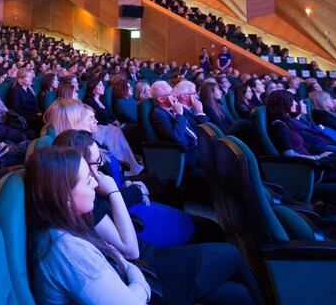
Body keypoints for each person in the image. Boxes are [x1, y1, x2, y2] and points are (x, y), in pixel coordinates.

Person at [53, 130, 263, 305]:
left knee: (238, 294)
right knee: (232, 254)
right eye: (96, 162)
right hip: (145, 270)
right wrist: (113, 192)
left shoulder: (83, 194)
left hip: (142, 263)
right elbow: (130, 250)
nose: (100, 169)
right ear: (77, 167)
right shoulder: (84, 205)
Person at [25, 147, 152, 305]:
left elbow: (116, 256)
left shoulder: (64, 226)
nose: (95, 183)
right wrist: (141, 282)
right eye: (87, 180)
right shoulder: (69, 252)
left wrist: (129, 270)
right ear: (66, 198)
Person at [47, 98, 143, 177]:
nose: (93, 122)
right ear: (73, 122)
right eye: (85, 117)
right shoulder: (81, 152)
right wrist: (138, 190)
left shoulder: (80, 143)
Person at [149, 81, 199, 168]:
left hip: (195, 146)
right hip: (186, 153)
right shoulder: (158, 114)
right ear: (161, 99)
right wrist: (179, 115)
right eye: (170, 93)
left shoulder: (172, 109)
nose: (175, 95)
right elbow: (176, 137)